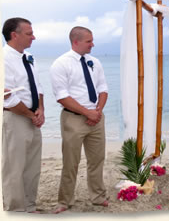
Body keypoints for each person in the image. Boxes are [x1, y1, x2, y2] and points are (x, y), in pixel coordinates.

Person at [50, 26, 109, 213]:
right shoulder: (61, 64)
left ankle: (98, 196)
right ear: (76, 42)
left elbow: (103, 88)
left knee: (97, 159)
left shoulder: (95, 62)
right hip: (73, 119)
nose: (93, 44)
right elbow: (61, 96)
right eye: (89, 41)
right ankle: (65, 200)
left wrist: (97, 111)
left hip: (97, 118)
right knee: (70, 161)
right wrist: (87, 113)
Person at [2, 17, 44, 213]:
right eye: (29, 34)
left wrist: (41, 110)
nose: (33, 37)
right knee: (14, 167)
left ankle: (30, 205)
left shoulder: (27, 57)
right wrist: (30, 114)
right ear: (14, 35)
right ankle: (16, 210)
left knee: (32, 167)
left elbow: (37, 87)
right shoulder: (4, 58)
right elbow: (7, 96)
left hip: (32, 118)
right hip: (15, 118)